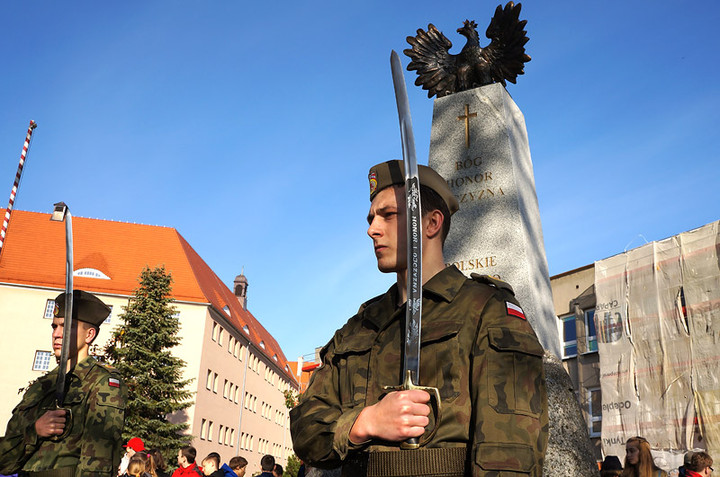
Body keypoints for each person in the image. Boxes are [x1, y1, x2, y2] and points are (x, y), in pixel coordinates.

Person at [290, 160, 548, 477]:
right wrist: (364, 422)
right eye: (371, 218)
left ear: (431, 224)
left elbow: (510, 455)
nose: (372, 229)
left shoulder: (486, 310)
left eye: (388, 215)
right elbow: (304, 430)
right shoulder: (359, 326)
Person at [0, 290, 127, 477]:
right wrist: (35, 431)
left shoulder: (103, 382)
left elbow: (99, 461)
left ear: (89, 335)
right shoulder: (41, 387)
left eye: (66, 326)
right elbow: (4, 461)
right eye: (54, 327)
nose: (57, 334)